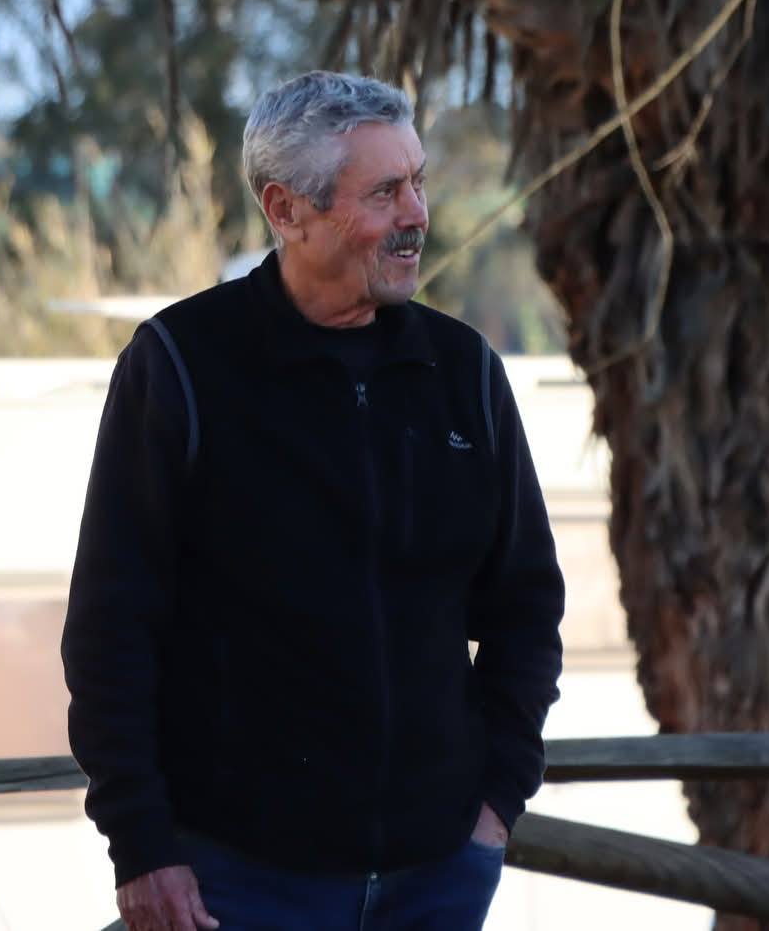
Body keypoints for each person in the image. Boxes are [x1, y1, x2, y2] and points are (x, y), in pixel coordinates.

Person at [62, 71, 566, 931]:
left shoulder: (466, 372)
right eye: (384, 191)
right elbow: (111, 630)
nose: (417, 213)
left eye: (418, 181)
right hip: (237, 879)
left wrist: (495, 805)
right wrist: (141, 842)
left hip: (437, 878)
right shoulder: (181, 365)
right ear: (286, 209)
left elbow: (527, 605)